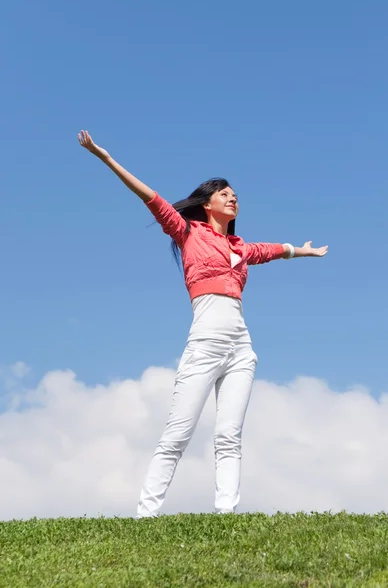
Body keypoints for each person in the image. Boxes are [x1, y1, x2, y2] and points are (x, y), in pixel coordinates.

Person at [78, 130, 328, 517]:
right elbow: (152, 198)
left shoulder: (240, 247)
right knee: (178, 434)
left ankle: (226, 515)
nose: (233, 198)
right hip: (206, 342)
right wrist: (105, 158)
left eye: (236, 195)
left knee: (229, 435)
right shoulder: (188, 233)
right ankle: (146, 516)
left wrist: (303, 251)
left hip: (240, 347)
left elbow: (273, 250)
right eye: (225, 193)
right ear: (207, 203)